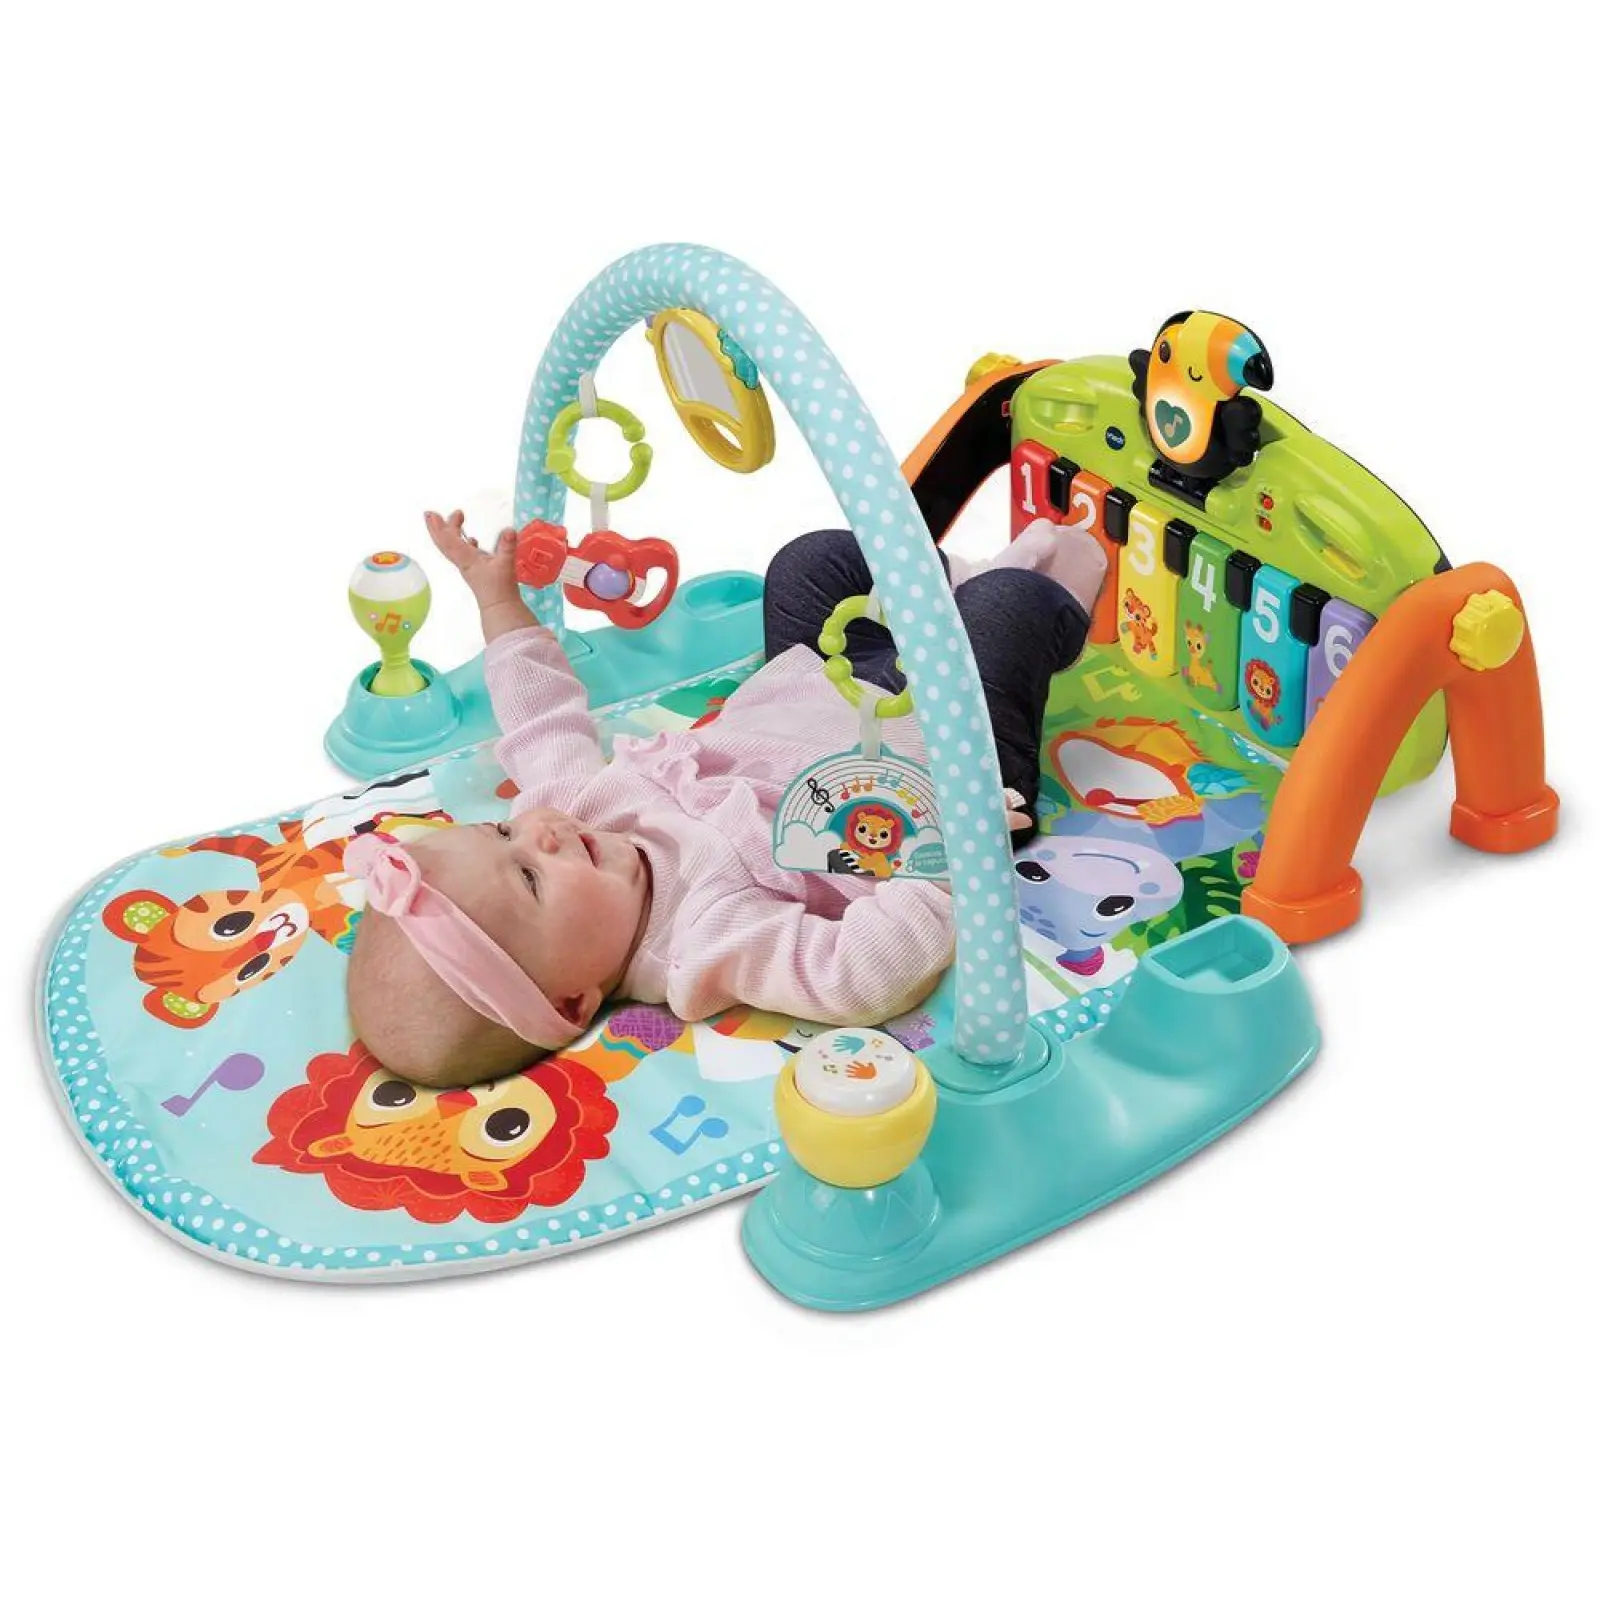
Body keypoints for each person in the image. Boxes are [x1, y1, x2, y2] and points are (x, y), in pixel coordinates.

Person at [344, 510, 1106, 1088]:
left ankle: (941, 590)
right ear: (575, 1000)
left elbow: (537, 717)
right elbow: (853, 976)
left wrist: (497, 601)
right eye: (530, 879)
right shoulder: (704, 939)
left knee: (812, 561)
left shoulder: (579, 810)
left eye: (503, 832)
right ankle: (1032, 599)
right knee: (1008, 609)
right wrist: (949, 852)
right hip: (943, 756)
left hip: (825, 676)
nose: (538, 834)